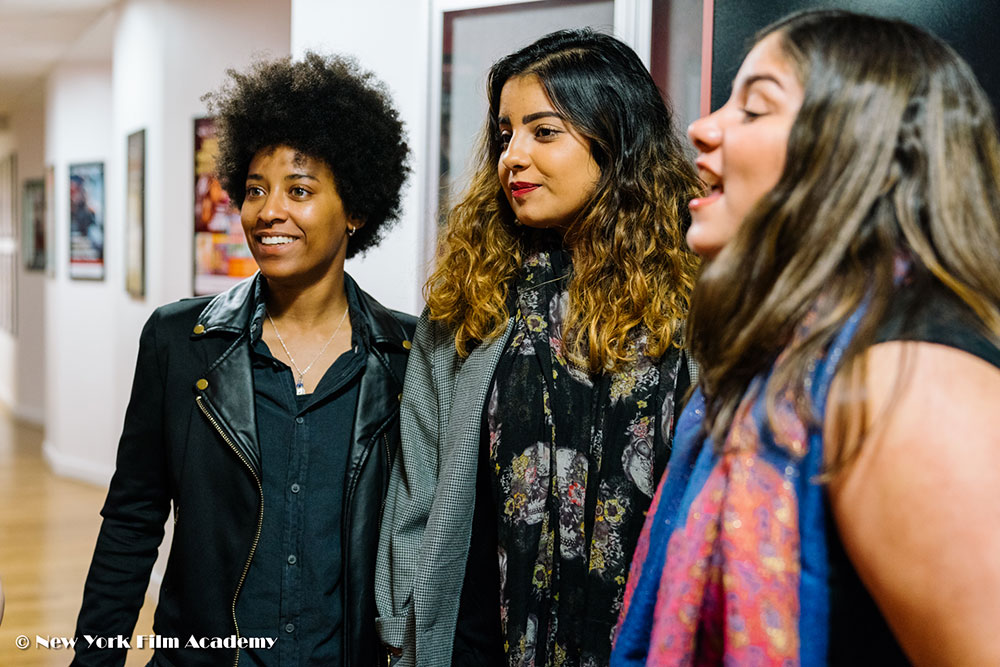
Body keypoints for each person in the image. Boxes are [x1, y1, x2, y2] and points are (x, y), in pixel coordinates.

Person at [613, 10, 1000, 666]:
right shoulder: (779, 367)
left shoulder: (908, 378)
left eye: (756, 109)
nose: (703, 128)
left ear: (858, 151)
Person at [73, 52, 414, 667]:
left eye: (300, 190)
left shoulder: (410, 360)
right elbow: (131, 522)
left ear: (356, 209)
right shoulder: (180, 341)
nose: (268, 211)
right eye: (255, 190)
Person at [376, 28, 701, 667]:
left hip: (642, 638)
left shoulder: (693, 298)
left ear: (614, 139)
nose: (512, 157)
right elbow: (416, 492)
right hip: (480, 641)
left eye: (543, 132)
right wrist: (400, 634)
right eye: (504, 134)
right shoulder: (472, 297)